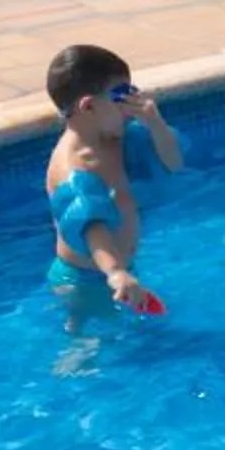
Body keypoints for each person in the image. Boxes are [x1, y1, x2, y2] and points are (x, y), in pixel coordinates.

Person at [44, 43, 184, 316]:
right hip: (83, 281)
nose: (130, 105)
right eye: (121, 96)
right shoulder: (74, 165)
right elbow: (90, 225)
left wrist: (154, 122)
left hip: (119, 273)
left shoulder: (117, 139)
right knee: (87, 349)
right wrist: (116, 272)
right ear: (88, 106)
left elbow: (174, 164)